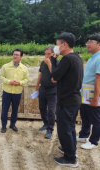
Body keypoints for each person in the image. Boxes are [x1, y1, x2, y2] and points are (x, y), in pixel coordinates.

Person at [49, 32, 83, 168]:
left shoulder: (67, 59)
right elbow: (59, 76)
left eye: (57, 45)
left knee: (65, 129)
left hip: (67, 100)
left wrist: (52, 61)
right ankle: (70, 148)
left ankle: (70, 158)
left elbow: (55, 75)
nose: (56, 48)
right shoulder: (76, 57)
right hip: (73, 99)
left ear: (64, 45)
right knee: (70, 127)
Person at [77, 33, 100, 150]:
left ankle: (94, 141)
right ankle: (83, 135)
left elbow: (98, 79)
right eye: (87, 42)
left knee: (95, 118)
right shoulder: (93, 57)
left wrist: (96, 98)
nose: (88, 44)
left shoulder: (99, 58)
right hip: (86, 92)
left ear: (99, 44)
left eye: (91, 42)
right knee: (85, 115)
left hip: (93, 94)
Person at [0, 49, 29, 133]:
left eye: (17, 55)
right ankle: (3, 125)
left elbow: (27, 79)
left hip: (17, 92)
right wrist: (9, 82)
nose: (15, 56)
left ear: (21, 57)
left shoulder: (24, 68)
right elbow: (1, 77)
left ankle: (13, 124)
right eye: (14, 54)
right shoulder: (5, 66)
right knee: (5, 109)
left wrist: (20, 82)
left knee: (15, 110)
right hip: (7, 92)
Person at [35, 45, 59, 139]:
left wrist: (50, 64)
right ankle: (45, 123)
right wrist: (37, 86)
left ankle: (50, 129)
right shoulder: (43, 62)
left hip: (52, 89)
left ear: (53, 54)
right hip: (43, 88)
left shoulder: (57, 63)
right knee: (42, 108)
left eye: (49, 54)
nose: (46, 56)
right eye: (45, 54)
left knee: (51, 111)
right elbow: (40, 74)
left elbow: (55, 76)